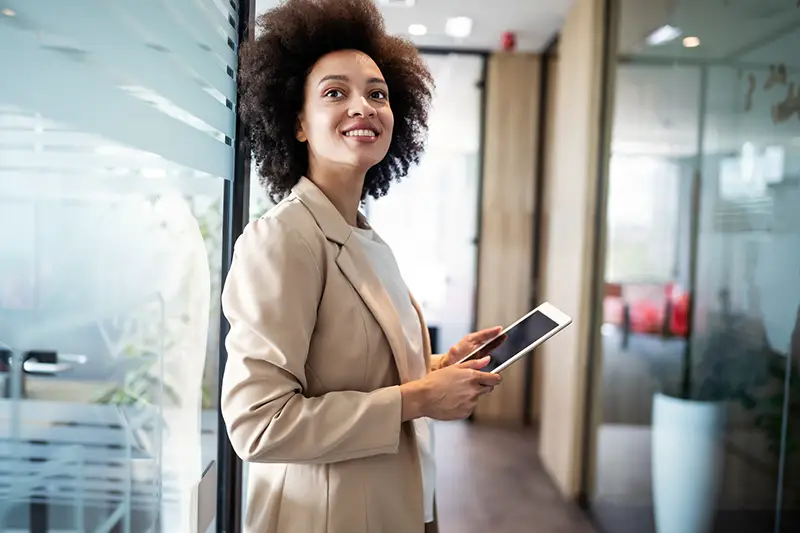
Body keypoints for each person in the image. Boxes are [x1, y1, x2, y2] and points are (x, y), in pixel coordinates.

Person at [220, 1, 503, 532]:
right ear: (298, 122)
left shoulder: (361, 232)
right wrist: (418, 397)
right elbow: (258, 424)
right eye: (334, 92)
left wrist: (438, 367)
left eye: (378, 93)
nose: (364, 106)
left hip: (396, 507)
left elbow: (352, 370)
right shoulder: (283, 240)